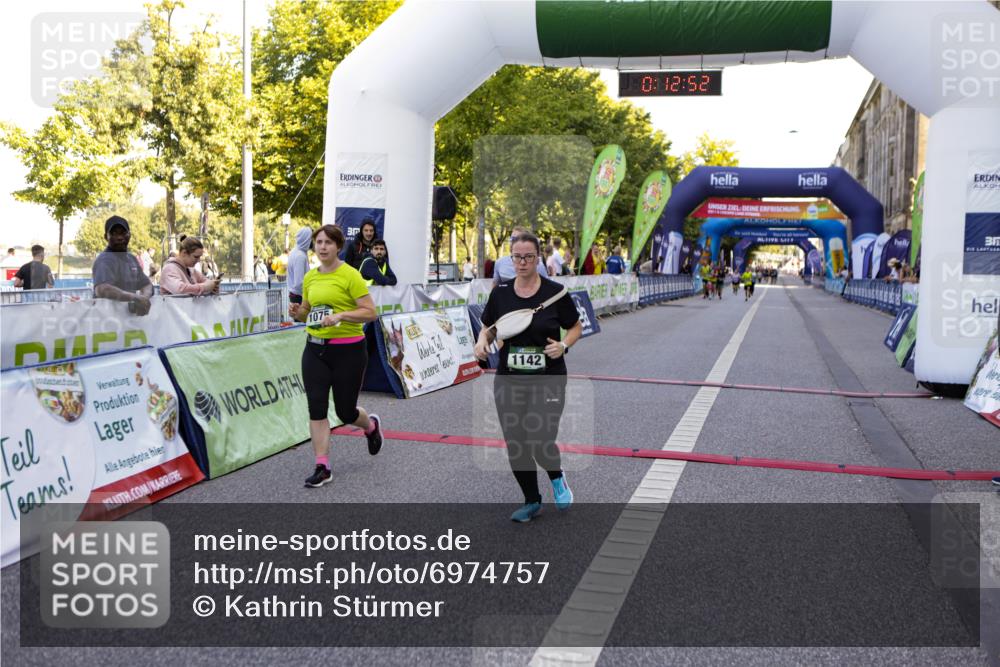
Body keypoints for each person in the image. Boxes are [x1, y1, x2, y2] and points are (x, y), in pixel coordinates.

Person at [474, 231, 583, 523]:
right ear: (511, 258)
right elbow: (489, 328)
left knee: (539, 436)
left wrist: (564, 345)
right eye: (517, 257)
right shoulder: (501, 293)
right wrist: (481, 343)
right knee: (516, 441)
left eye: (528, 257)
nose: (522, 262)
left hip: (549, 377)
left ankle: (557, 477)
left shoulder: (556, 292)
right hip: (509, 378)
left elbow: (575, 327)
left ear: (538, 258)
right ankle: (532, 500)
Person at [288, 224, 384, 488]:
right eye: (318, 242)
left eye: (328, 243)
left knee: (345, 411)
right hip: (315, 349)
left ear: (338, 247)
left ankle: (371, 426)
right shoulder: (311, 278)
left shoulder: (350, 275)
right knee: (316, 407)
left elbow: (370, 312)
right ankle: (323, 466)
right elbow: (308, 310)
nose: (322, 247)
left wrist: (341, 315)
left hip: (349, 351)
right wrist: (298, 312)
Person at [93, 216, 153, 316]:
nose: (120, 237)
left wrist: (144, 298)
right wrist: (134, 297)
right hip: (105, 322)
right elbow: (102, 289)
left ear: (129, 235)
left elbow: (146, 284)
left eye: (123, 233)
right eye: (114, 233)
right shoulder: (104, 260)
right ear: (105, 237)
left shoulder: (132, 259)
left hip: (128, 323)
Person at [287, 227, 313, 304]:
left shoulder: (296, 251)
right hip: (299, 297)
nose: (314, 242)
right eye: (312, 238)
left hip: (296, 296)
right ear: (306, 239)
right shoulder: (300, 256)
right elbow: (299, 283)